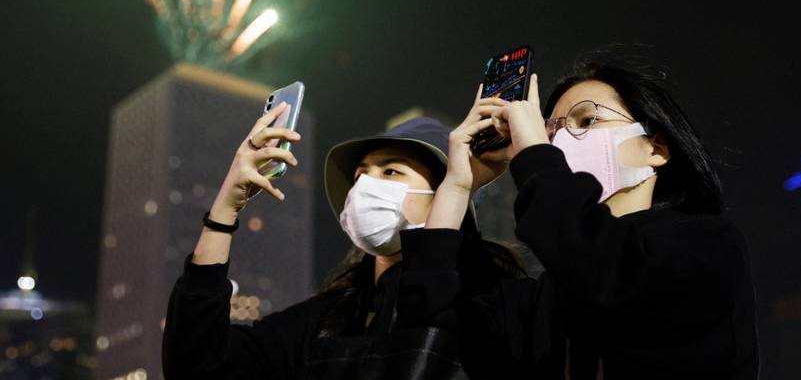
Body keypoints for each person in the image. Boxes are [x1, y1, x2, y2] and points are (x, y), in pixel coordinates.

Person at [398, 58, 759, 379]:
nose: (562, 141)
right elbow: (437, 332)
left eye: (587, 120)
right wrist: (458, 188)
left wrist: (536, 155)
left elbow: (604, 269)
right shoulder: (550, 294)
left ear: (657, 149)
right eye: (552, 130)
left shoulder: (707, 245)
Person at [162, 105, 522, 380]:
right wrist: (224, 211)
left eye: (391, 171)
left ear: (445, 191)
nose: (366, 186)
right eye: (360, 174)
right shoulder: (328, 318)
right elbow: (197, 364)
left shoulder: (491, 300)